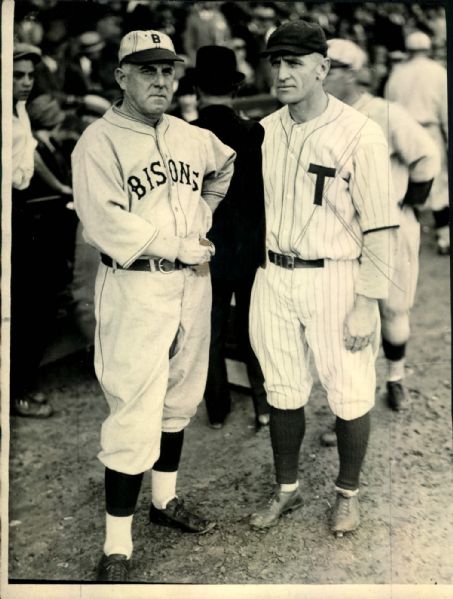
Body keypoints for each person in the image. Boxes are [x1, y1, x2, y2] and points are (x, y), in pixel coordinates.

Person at [71, 30, 235, 582]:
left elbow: (224, 167)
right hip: (136, 284)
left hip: (193, 281)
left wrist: (204, 216)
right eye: (147, 71)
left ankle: (164, 503)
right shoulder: (98, 142)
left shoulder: (192, 135)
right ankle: (117, 543)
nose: (161, 81)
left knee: (181, 394)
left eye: (168, 71)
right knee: (133, 404)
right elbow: (104, 223)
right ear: (121, 77)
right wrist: (176, 243)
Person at [248, 21, 399, 537]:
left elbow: (381, 226)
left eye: (294, 62)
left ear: (322, 68)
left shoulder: (360, 131)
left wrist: (367, 302)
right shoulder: (265, 131)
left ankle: (347, 494)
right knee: (282, 388)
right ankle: (286, 491)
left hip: (334, 277)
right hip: (274, 274)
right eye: (276, 62)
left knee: (350, 391)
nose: (283, 72)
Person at [321, 38, 440, 426]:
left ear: (352, 72)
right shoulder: (320, 116)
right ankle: (355, 405)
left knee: (392, 308)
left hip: (388, 228)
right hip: (344, 233)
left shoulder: (384, 113)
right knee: (349, 316)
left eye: (332, 67)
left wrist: (407, 204)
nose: (323, 73)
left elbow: (426, 157)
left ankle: (395, 377)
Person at [192, 46, 269, 430]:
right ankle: (263, 406)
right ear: (236, 87)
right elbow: (262, 195)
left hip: (206, 248)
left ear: (195, 89)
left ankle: (217, 409)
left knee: (213, 331)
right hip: (250, 245)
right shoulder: (253, 131)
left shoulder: (185, 133)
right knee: (253, 328)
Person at [10, 42, 54, 419]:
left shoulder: (20, 110)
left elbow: (32, 155)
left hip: (20, 207)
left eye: (28, 75)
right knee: (16, 304)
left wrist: (60, 187)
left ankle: (21, 383)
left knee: (32, 301)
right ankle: (15, 392)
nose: (26, 83)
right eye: (16, 76)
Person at [385, 30, 449, 255]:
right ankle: (444, 237)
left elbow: (388, 107)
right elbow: (445, 109)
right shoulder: (438, 72)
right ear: (428, 49)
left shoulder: (397, 74)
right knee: (437, 183)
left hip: (402, 132)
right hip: (429, 130)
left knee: (405, 182)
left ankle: (411, 235)